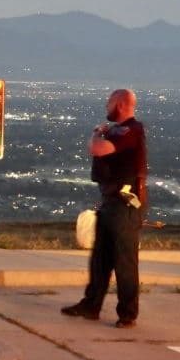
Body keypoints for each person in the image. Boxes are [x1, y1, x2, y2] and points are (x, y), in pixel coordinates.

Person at [61, 89, 148, 329]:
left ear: (120, 104)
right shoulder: (117, 131)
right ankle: (91, 305)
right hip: (111, 201)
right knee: (100, 259)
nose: (106, 106)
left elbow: (99, 149)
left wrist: (95, 135)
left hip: (125, 205)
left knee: (124, 261)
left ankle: (127, 314)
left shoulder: (132, 130)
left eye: (109, 102)